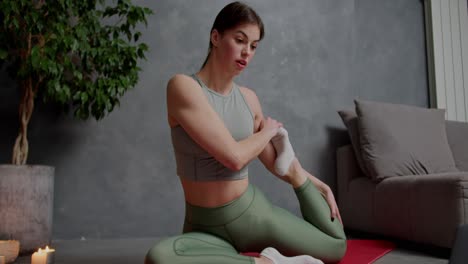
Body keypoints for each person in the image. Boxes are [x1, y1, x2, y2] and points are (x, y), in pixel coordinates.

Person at [145, 2, 346, 264]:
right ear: (215, 37)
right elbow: (234, 157)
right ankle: (267, 262)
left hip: (251, 215)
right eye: (240, 40)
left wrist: (313, 183)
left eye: (253, 46)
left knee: (335, 247)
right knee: (158, 259)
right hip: (202, 225)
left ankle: (239, 257)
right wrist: (269, 131)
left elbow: (274, 162)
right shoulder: (183, 87)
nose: (246, 52)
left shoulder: (249, 99)